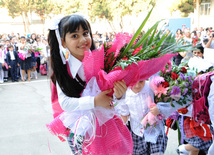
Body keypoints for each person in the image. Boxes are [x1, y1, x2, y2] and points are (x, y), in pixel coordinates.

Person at [47, 14, 132, 155]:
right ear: (63, 42)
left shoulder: (104, 62)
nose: (83, 39)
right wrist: (94, 101)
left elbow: (113, 99)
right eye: (74, 36)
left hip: (107, 125)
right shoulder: (63, 70)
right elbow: (65, 103)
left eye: (85, 33)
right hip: (79, 129)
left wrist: (119, 95)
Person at [115, 79, 183, 155]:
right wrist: (120, 132)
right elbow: (124, 114)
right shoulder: (126, 94)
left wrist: (159, 109)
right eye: (134, 82)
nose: (137, 85)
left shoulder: (151, 87)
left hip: (156, 130)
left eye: (141, 81)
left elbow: (165, 102)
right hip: (137, 132)